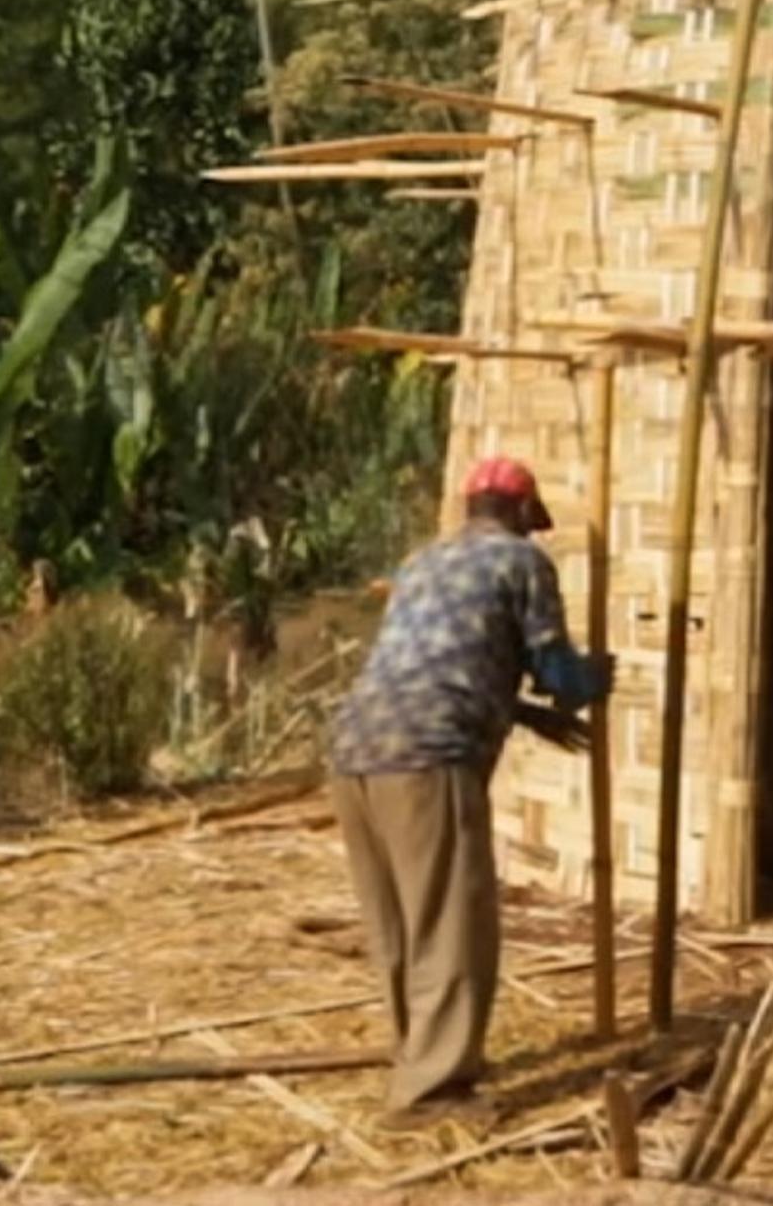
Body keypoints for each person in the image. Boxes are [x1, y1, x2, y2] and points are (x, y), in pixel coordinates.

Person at [325, 456, 611, 1121]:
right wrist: (591, 680)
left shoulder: (423, 563)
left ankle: (417, 1051)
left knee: (398, 920)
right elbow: (557, 669)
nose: (533, 534)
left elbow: (433, 664)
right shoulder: (521, 562)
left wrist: (521, 712)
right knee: (453, 921)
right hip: (430, 757)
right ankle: (433, 1089)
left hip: (355, 748)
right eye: (531, 522)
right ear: (518, 513)